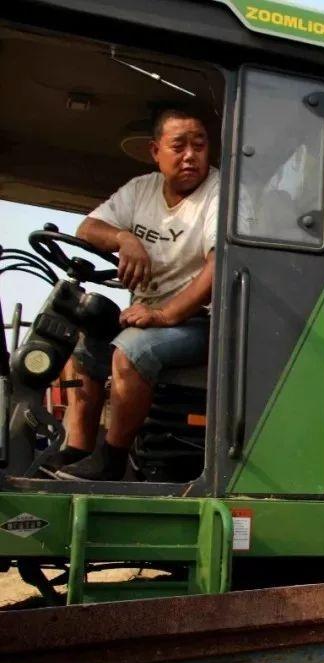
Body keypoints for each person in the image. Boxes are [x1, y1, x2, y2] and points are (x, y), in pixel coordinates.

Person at [53, 108, 218, 482]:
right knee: (84, 339)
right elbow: (88, 227)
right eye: (179, 146)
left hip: (200, 322)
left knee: (132, 353)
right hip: (147, 315)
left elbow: (217, 266)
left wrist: (164, 315)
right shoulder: (141, 189)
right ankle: (76, 453)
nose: (190, 155)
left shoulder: (217, 194)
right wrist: (125, 239)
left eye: (199, 145)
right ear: (155, 151)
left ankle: (112, 460)